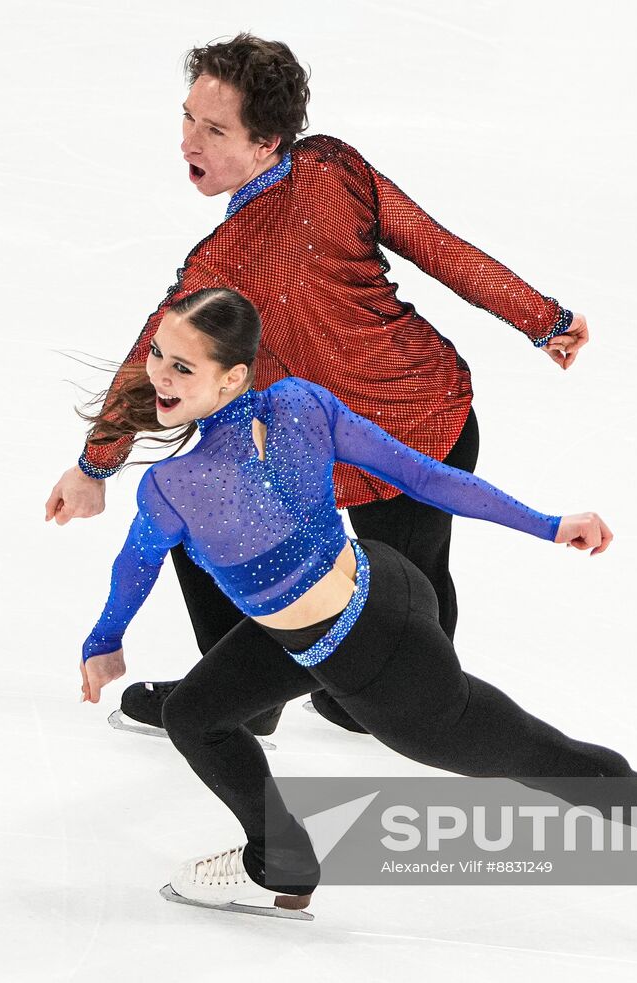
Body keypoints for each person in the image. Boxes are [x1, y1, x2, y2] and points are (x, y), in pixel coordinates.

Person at [77, 287, 637, 916]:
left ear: (233, 376)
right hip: (378, 581)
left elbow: (136, 565)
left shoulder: (176, 485)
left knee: (533, 753)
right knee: (195, 714)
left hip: (380, 660)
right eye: (159, 354)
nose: (160, 374)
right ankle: (281, 860)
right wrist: (548, 524)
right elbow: (425, 478)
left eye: (183, 366)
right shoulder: (300, 404)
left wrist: (104, 642)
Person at [46, 32, 591, 736]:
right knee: (407, 589)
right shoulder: (332, 166)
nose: (189, 141)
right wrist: (544, 320)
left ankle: (262, 698)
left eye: (215, 130)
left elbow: (147, 358)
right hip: (409, 422)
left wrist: (95, 466)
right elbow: (437, 246)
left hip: (405, 427)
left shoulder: (222, 262)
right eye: (188, 118)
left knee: (224, 529)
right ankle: (322, 698)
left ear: (267, 141)